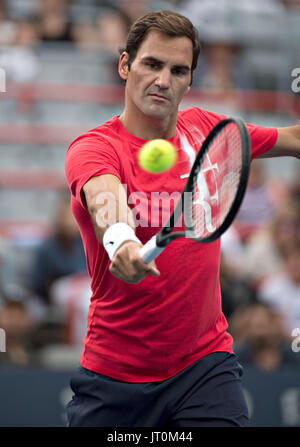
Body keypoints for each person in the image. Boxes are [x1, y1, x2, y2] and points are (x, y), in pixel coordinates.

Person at [65, 10, 300, 427]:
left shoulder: (207, 132)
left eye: (178, 70)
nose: (163, 80)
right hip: (115, 377)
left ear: (190, 80)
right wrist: (122, 242)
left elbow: (292, 137)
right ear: (125, 65)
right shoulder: (94, 148)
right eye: (151, 64)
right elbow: (105, 199)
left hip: (204, 368)